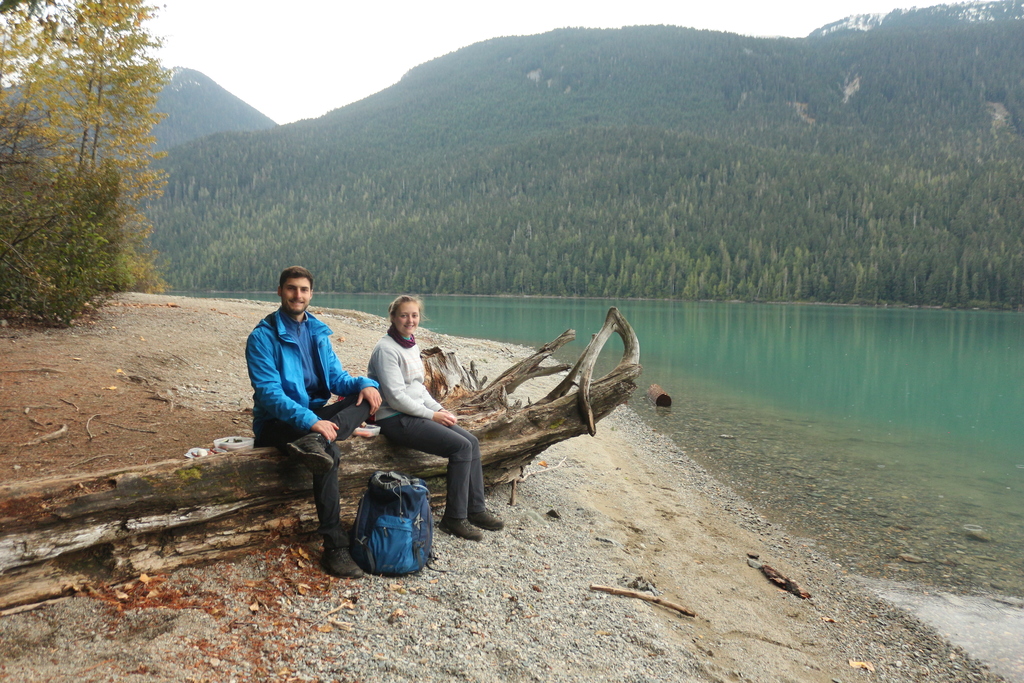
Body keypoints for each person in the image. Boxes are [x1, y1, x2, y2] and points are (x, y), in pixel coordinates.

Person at [246, 266, 381, 578]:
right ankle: (334, 546)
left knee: (370, 394)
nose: (298, 295)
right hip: (277, 424)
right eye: (292, 289)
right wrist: (310, 420)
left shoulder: (317, 332)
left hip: (313, 421)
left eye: (304, 290)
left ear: (311, 294)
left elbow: (336, 379)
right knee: (330, 455)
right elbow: (269, 395)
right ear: (280, 291)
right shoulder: (263, 337)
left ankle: (316, 440)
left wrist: (365, 383)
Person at [367, 295, 503, 542]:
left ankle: (476, 509)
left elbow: (418, 389)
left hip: (413, 412)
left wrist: (441, 410)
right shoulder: (386, 349)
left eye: (414, 315)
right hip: (394, 418)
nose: (410, 320)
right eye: (404, 315)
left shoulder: (410, 344)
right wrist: (432, 415)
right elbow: (396, 398)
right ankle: (454, 518)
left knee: (471, 441)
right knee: (460, 447)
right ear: (393, 317)